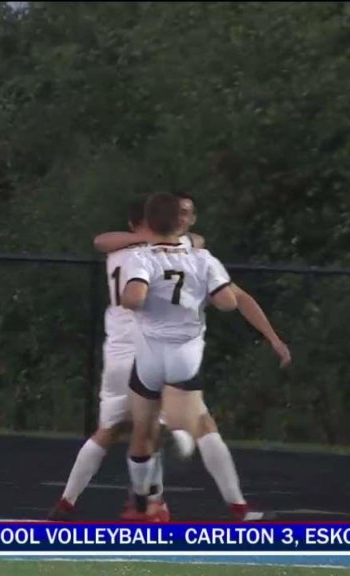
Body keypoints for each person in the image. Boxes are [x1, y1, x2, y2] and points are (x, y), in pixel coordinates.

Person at [93, 192, 291, 457]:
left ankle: (160, 454)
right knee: (159, 427)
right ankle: (174, 439)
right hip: (150, 347)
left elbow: (101, 241)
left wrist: (273, 337)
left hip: (137, 349)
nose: (184, 219)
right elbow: (232, 298)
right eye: (179, 214)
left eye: (187, 213)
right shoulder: (164, 255)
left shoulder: (175, 254)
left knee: (123, 431)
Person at [120, 192, 273, 521]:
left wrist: (140, 296)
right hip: (183, 354)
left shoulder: (140, 257)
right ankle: (238, 507)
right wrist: (200, 293)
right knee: (204, 426)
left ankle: (141, 504)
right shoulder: (202, 259)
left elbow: (134, 297)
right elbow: (228, 303)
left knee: (142, 430)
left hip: (149, 356)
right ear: (181, 222)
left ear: (149, 222)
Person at [48, 198, 172, 522]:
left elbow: (100, 241)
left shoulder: (117, 252)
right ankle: (150, 504)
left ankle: (67, 500)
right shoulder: (160, 253)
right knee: (150, 431)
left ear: (132, 224)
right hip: (145, 351)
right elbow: (196, 243)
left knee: (107, 430)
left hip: (116, 352)